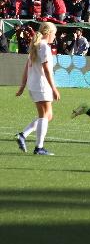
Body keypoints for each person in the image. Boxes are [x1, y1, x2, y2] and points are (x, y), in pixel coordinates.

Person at [15, 22, 60, 155]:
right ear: (48, 33)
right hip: (42, 85)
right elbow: (46, 70)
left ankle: (23, 135)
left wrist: (23, 86)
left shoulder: (36, 46)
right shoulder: (44, 47)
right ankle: (39, 147)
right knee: (44, 115)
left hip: (34, 85)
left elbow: (26, 68)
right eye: (54, 34)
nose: (54, 37)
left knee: (48, 115)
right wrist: (54, 88)